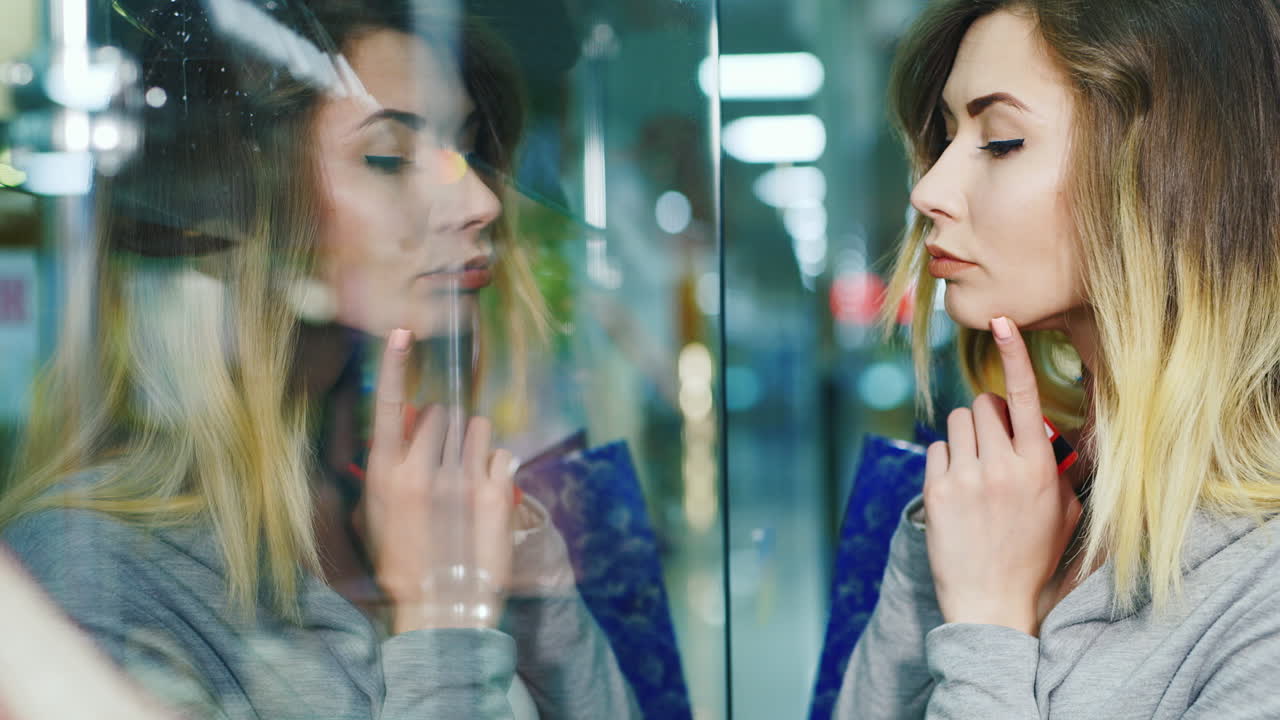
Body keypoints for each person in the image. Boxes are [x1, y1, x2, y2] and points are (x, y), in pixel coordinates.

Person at [0, 0, 639, 717]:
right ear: (240, 208)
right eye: (389, 158)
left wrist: (539, 600)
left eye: (466, 152)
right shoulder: (88, 572)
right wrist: (442, 618)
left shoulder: (400, 495)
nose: (482, 199)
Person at [836, 0, 1280, 717]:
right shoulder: (998, 500)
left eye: (1002, 141)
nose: (928, 190)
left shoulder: (1260, 591)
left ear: (1174, 173)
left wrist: (985, 624)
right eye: (947, 137)